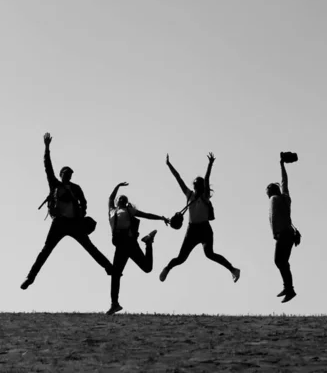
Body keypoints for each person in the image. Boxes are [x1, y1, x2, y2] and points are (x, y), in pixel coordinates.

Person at [21, 133, 113, 290]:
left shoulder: (76, 188)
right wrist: (47, 147)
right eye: (65, 173)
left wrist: (82, 214)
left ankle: (109, 268)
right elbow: (47, 166)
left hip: (75, 223)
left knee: (90, 248)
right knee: (46, 251)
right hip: (59, 223)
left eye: (70, 174)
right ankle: (30, 277)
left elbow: (84, 202)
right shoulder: (55, 185)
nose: (68, 176)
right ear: (61, 175)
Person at [160, 153, 240, 284]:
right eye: (195, 186)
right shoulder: (189, 194)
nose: (196, 188)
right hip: (191, 230)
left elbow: (207, 179)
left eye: (198, 186)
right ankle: (167, 269)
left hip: (204, 229)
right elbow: (178, 178)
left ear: (202, 187)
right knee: (181, 258)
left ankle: (233, 270)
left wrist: (210, 165)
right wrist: (169, 164)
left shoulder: (205, 197)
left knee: (209, 254)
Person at [106, 182, 169, 315]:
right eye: (120, 199)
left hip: (130, 243)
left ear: (127, 202)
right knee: (115, 274)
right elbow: (110, 198)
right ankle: (114, 304)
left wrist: (161, 218)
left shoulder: (129, 211)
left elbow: (146, 215)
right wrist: (117, 186)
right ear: (118, 202)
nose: (122, 200)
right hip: (120, 246)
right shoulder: (112, 211)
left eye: (124, 199)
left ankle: (148, 242)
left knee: (147, 268)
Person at [266, 154, 300, 303]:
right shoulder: (280, 198)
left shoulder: (280, 198)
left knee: (280, 261)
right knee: (281, 262)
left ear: (271, 191)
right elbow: (284, 183)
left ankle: (289, 289)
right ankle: (288, 288)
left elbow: (284, 182)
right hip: (284, 235)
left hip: (285, 234)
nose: (267, 193)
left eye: (267, 190)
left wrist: (282, 165)